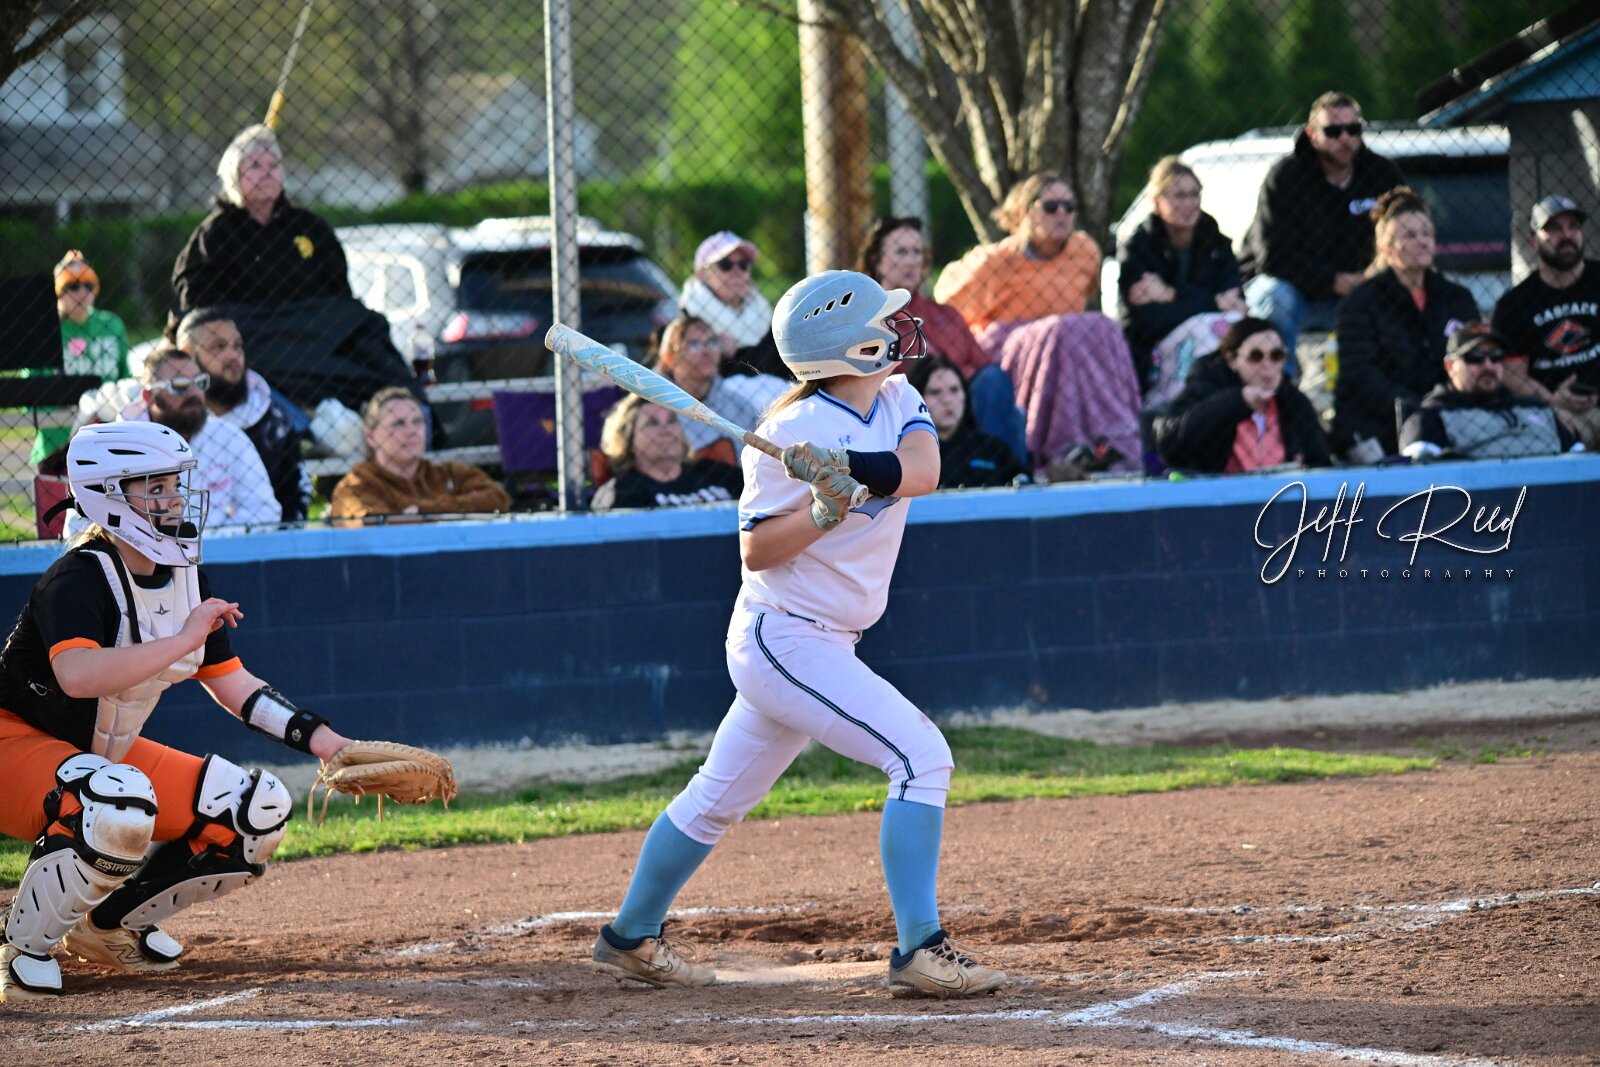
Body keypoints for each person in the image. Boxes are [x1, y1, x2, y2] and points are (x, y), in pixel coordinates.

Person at [591, 270, 1007, 1000]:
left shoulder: (897, 397)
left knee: (716, 798)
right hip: (783, 638)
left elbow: (923, 470)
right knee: (921, 757)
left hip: (827, 640)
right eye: (882, 323)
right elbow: (756, 550)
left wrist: (851, 469)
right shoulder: (785, 434)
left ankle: (630, 937)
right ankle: (920, 949)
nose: (897, 330)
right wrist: (819, 513)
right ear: (848, 346)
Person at [0, 421, 361, 1001]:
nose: (173, 499)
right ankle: (21, 949)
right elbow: (78, 675)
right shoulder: (77, 576)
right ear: (107, 496)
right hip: (13, 744)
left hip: (92, 752)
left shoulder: (184, 574)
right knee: (115, 801)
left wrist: (328, 743)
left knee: (256, 810)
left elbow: (234, 685)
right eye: (155, 488)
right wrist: (182, 640)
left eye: (173, 485)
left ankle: (107, 926)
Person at [934, 172, 1143, 478]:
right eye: (1051, 206)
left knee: (1101, 327)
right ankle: (1059, 446)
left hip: (1070, 341)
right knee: (1058, 333)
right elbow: (947, 297)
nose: (1062, 214)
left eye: (1069, 207)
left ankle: (1109, 439)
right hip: (1009, 341)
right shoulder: (996, 261)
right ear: (1024, 212)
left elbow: (1083, 297)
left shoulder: (1084, 252)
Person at [1241, 92, 1405, 365]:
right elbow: (1273, 256)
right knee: (1275, 296)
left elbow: (1406, 231)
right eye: (1333, 131)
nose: (1345, 139)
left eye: (1353, 129)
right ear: (1312, 134)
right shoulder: (1286, 177)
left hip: (1361, 290)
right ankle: (1277, 383)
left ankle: (1383, 383)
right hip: (1297, 293)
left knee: (1401, 293)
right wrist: (1333, 280)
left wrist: (1373, 274)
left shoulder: (1381, 173)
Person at [859, 216, 1028, 468]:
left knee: (994, 381)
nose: (912, 261)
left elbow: (983, 370)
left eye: (917, 252)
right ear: (877, 260)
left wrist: (951, 380)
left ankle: (1009, 473)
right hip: (903, 415)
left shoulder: (946, 315)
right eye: (901, 252)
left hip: (960, 412)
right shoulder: (868, 321)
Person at [1331, 188, 1478, 461]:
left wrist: (1442, 404)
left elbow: (1473, 356)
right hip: (1379, 423)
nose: (1421, 241)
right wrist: (1417, 408)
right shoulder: (1360, 302)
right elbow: (1360, 374)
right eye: (1409, 235)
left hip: (1447, 414)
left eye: (1426, 234)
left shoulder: (1457, 298)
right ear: (1385, 248)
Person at [171, 124, 351, 312]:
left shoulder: (310, 226)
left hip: (309, 325)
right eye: (255, 165)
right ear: (234, 175)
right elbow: (194, 294)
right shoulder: (214, 234)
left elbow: (339, 289)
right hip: (243, 327)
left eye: (274, 165)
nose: (267, 173)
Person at [1117, 158, 1245, 403]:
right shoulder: (1138, 249)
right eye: (1179, 196)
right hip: (1154, 348)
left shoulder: (1216, 242)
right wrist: (1213, 302)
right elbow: (1146, 320)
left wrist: (1171, 295)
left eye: (1194, 194)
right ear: (1157, 202)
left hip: (1214, 340)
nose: (1189, 203)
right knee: (1207, 327)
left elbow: (1237, 304)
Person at [177, 309, 312, 522]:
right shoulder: (168, 419)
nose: (233, 355)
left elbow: (295, 492)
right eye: (219, 347)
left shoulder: (273, 420)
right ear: (187, 354)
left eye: (237, 345)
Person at [1154, 317, 1331, 474]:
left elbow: (1320, 461)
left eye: (1276, 355)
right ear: (1232, 360)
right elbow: (1170, 442)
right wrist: (1237, 400)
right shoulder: (1205, 387)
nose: (1267, 364)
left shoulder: (1293, 401)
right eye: (1256, 356)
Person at [1492, 195, 1600, 449]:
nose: (1566, 235)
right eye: (1554, 229)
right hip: (1554, 411)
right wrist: (1553, 399)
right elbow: (1512, 374)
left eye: (1573, 226)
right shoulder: (1515, 304)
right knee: (1557, 434)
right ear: (1533, 242)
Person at [329, 387, 509, 522]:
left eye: (417, 421)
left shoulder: (449, 473)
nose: (411, 431)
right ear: (370, 436)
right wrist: (454, 509)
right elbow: (374, 525)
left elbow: (498, 499)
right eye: (398, 424)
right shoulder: (355, 486)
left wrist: (422, 510)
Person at [1400, 323, 1576, 461]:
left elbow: (1580, 460)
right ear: (1450, 366)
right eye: (1475, 358)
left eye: (1496, 357)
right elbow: (1421, 479)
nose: (1488, 366)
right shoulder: (1432, 417)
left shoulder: (1537, 408)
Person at [32, 251, 130, 466]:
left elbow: (125, 376)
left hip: (104, 436)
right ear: (58, 291)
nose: (82, 292)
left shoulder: (111, 324)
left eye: (88, 285)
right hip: (55, 442)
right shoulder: (44, 329)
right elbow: (29, 388)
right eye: (73, 286)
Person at [653, 313, 787, 464]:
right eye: (694, 344)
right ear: (669, 357)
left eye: (712, 342)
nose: (706, 351)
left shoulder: (737, 403)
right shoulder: (654, 408)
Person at [589, 395, 744, 510]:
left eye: (672, 421)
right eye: (652, 423)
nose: (666, 430)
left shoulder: (714, 473)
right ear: (627, 438)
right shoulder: (621, 490)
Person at [903, 355, 1026, 488]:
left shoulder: (991, 448)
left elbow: (1026, 484)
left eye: (954, 390)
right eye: (935, 392)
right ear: (916, 398)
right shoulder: (904, 451)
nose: (947, 400)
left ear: (965, 395)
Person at [678, 231, 786, 379]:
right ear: (703, 274)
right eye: (725, 265)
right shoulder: (686, 321)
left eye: (743, 265)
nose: (736, 271)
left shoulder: (765, 316)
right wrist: (714, 349)